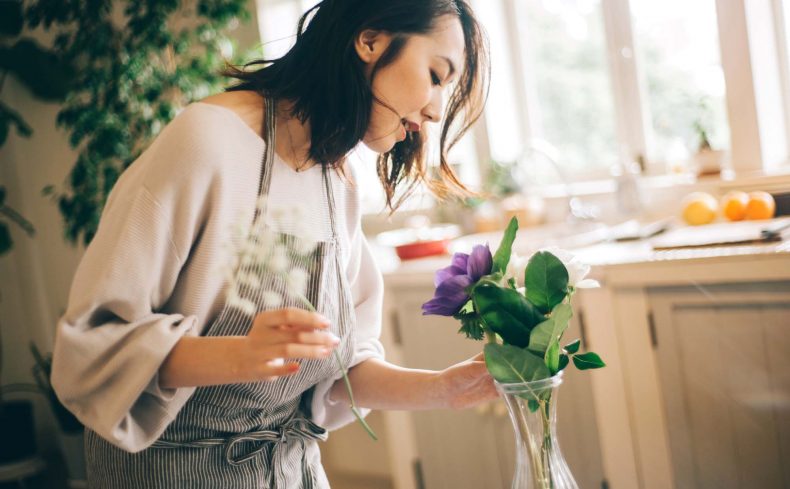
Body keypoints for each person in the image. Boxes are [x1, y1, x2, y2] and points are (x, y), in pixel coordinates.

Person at [51, 1, 497, 487]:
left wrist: (443, 389)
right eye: (435, 74)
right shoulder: (206, 142)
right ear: (370, 41)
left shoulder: (337, 179)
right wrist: (240, 355)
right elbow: (91, 350)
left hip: (289, 473)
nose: (434, 111)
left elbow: (343, 372)